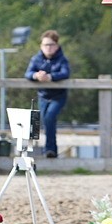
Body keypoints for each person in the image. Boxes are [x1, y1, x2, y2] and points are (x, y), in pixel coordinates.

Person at [25, 29, 71, 158]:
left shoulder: (62, 59)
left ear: (56, 46)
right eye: (45, 45)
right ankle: (50, 150)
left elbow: (65, 73)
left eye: (51, 45)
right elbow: (27, 73)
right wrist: (36, 75)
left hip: (58, 96)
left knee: (50, 117)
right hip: (43, 96)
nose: (48, 48)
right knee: (46, 121)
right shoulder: (36, 59)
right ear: (41, 46)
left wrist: (50, 77)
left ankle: (50, 149)